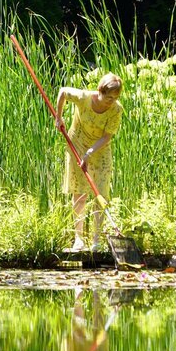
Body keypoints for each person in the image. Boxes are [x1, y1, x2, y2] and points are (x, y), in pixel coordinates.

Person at [55, 73, 123, 251]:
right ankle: (78, 239)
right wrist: (58, 117)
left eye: (115, 97)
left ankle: (96, 240)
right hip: (77, 143)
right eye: (109, 97)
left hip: (99, 149)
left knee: (100, 194)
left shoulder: (116, 110)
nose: (111, 101)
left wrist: (90, 152)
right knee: (80, 192)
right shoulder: (84, 98)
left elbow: (108, 136)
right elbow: (63, 92)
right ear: (100, 91)